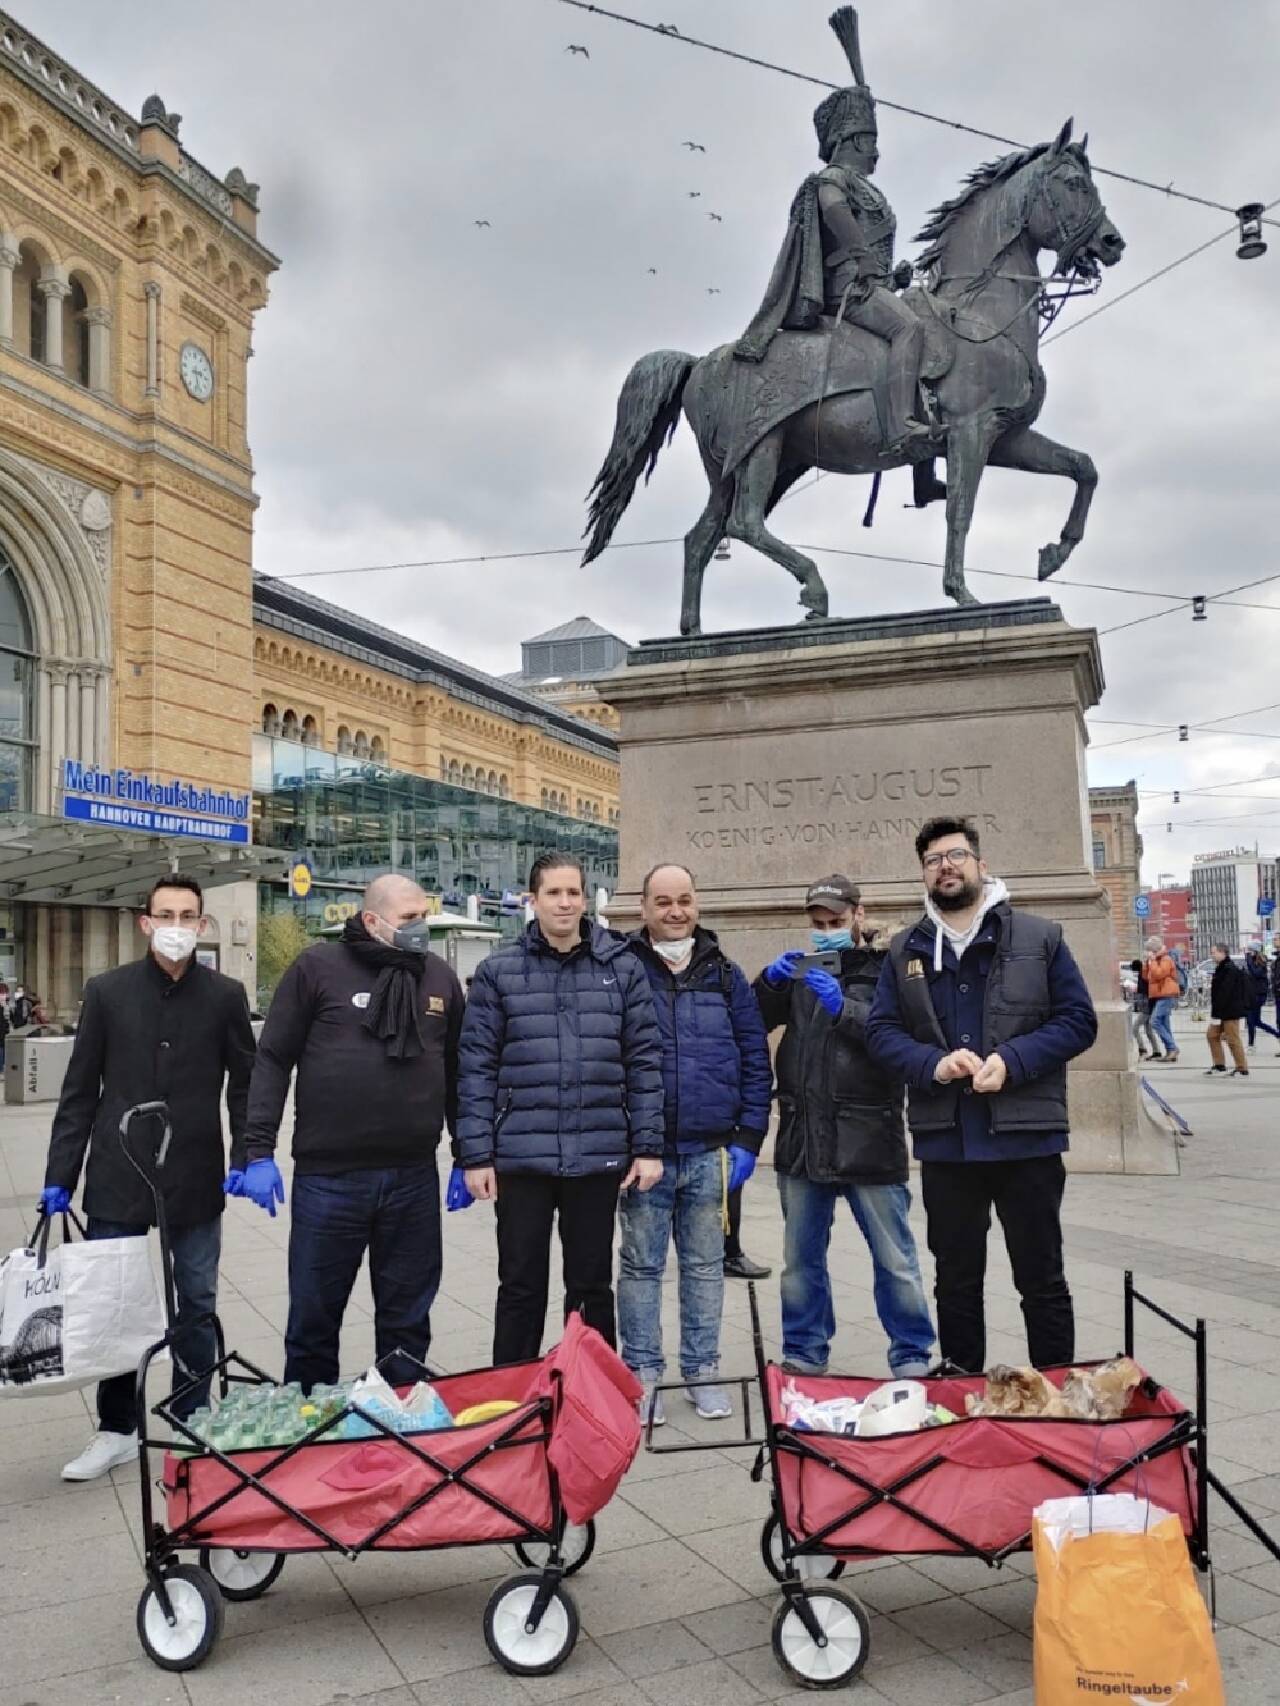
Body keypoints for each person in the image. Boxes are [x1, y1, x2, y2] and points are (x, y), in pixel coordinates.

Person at [40, 876, 255, 1481]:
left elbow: (245, 1085)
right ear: (144, 921)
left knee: (196, 1301)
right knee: (115, 1305)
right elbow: (81, 1091)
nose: (177, 924)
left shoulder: (225, 995)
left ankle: (194, 1419)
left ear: (202, 924)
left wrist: (248, 1155)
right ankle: (116, 1428)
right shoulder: (107, 993)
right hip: (117, 1175)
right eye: (166, 913)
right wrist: (61, 1173)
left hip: (193, 1174)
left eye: (188, 915)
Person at [865, 818, 1097, 1373]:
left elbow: (1078, 1020)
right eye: (932, 860)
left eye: (956, 855)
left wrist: (1012, 1062)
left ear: (980, 864)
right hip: (948, 1143)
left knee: (1041, 1278)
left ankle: (1055, 1396)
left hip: (1027, 1140)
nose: (945, 866)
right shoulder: (905, 950)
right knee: (956, 1282)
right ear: (923, 873)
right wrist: (934, 1065)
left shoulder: (1040, 938)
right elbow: (881, 1032)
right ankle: (963, 1393)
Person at [243, 873, 463, 1391]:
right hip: (330, 1181)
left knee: (407, 1319)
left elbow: (457, 1069)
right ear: (371, 920)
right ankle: (309, 1420)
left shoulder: (438, 977)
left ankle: (400, 1417)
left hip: (412, 1179)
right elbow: (273, 1059)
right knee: (315, 1318)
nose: (420, 928)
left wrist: (469, 1152)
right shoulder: (317, 969)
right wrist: (258, 1150)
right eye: (410, 918)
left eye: (423, 916)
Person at [456, 854, 665, 1363]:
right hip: (521, 1160)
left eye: (573, 892)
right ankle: (513, 1399)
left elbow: (644, 1062)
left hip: (597, 1155)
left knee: (591, 1287)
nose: (565, 902)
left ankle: (596, 1399)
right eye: (553, 893)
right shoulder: (498, 972)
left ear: (585, 897)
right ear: (533, 900)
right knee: (521, 1285)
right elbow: (475, 1068)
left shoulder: (622, 968)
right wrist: (475, 1154)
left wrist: (649, 1147)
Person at [756, 874, 935, 1378]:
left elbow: (901, 1042)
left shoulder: (890, 970)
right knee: (800, 1264)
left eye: (835, 921)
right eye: (818, 923)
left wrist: (845, 1009)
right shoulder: (801, 972)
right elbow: (751, 1018)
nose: (826, 930)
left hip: (868, 1137)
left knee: (895, 1261)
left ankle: (912, 1354)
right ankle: (805, 1351)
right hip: (803, 1137)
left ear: (858, 915)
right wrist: (771, 981)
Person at [735, 6, 930, 464]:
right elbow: (836, 215)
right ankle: (902, 425)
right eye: (871, 141)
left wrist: (891, 273)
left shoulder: (868, 188)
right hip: (850, 291)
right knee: (910, 327)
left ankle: (925, 465)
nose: (877, 152)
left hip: (873, 285)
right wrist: (863, 259)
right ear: (853, 141)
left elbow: (869, 247)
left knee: (935, 332)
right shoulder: (831, 180)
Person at [618, 864, 772, 1422]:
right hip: (646, 1155)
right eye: (663, 901)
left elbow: (755, 1057)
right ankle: (641, 1374)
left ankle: (702, 1370)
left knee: (706, 1266)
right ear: (645, 908)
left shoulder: (725, 974)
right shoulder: (623, 968)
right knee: (640, 1268)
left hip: (711, 1152)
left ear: (697, 904)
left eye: (684, 900)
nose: (675, 911)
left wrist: (749, 1136)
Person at [1205, 945, 1252, 1077]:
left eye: (1213, 952)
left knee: (1232, 1038)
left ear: (1222, 953)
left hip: (1230, 1011)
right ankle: (1219, 1064)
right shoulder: (1220, 968)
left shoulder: (1230, 969)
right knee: (1212, 1035)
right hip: (1219, 1011)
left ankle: (1242, 1068)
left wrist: (1218, 1011)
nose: (1212, 955)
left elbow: (1226, 992)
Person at [1142, 937, 1181, 1064]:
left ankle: (1173, 1048)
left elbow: (1159, 974)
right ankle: (1170, 1051)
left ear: (1154, 950)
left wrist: (1152, 961)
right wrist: (1147, 963)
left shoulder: (1166, 959)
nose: (1148, 952)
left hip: (1166, 993)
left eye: (1149, 950)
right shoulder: (1155, 960)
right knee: (1164, 1024)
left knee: (1154, 1021)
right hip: (1159, 994)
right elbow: (1147, 977)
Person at [1242, 946, 1279, 1051]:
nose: (1249, 953)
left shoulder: (1261, 962)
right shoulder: (1251, 962)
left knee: (1251, 1020)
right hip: (1251, 995)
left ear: (1256, 951)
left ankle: (1251, 1045)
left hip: (1257, 997)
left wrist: (1248, 960)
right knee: (1255, 1021)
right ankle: (1275, 1034)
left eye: (1251, 951)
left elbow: (1255, 973)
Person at [1128, 958, 1162, 1060]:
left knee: (1135, 1028)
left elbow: (1145, 992)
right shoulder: (1144, 974)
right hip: (1149, 1006)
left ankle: (1142, 1049)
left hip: (1146, 1007)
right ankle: (1157, 1051)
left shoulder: (1144, 976)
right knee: (1148, 1031)